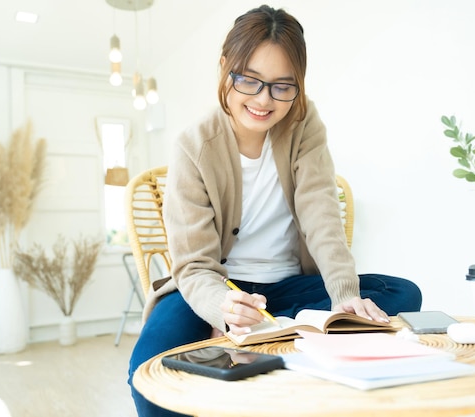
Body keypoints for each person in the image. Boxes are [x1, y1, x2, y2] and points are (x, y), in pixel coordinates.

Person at [128, 5, 422, 416]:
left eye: (283, 86)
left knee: (401, 294)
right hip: (216, 286)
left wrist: (344, 296)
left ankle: (266, 329)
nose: (265, 100)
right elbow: (193, 266)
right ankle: (273, 329)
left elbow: (321, 213)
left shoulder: (304, 123)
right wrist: (222, 309)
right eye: (250, 81)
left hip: (287, 286)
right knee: (148, 370)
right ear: (225, 69)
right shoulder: (193, 146)